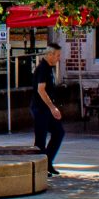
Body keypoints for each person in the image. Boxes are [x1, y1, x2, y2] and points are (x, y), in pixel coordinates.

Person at [30, 44, 65, 177]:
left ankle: (47, 162)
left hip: (46, 109)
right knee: (40, 140)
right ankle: (39, 169)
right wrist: (52, 107)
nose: (59, 58)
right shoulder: (43, 68)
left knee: (58, 132)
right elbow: (41, 89)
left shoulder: (49, 68)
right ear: (50, 55)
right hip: (40, 109)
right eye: (57, 55)